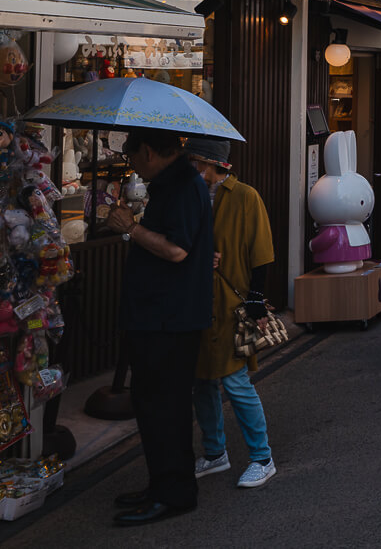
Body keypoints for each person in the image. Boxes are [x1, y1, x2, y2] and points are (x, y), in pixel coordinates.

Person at [107, 129, 214, 526]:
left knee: (164, 406)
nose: (131, 164)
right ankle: (160, 485)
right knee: (152, 403)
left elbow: (177, 249)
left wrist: (130, 228)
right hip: (159, 315)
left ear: (149, 151)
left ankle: (174, 493)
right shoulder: (173, 183)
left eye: (132, 157)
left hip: (170, 318)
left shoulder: (184, 185)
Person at [185, 138, 276, 490]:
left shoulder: (245, 196)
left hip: (229, 304)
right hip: (197, 302)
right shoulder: (193, 194)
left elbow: (263, 252)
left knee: (236, 383)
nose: (192, 169)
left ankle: (262, 458)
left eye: (195, 162)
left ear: (211, 163)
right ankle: (214, 452)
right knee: (202, 381)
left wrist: (256, 301)